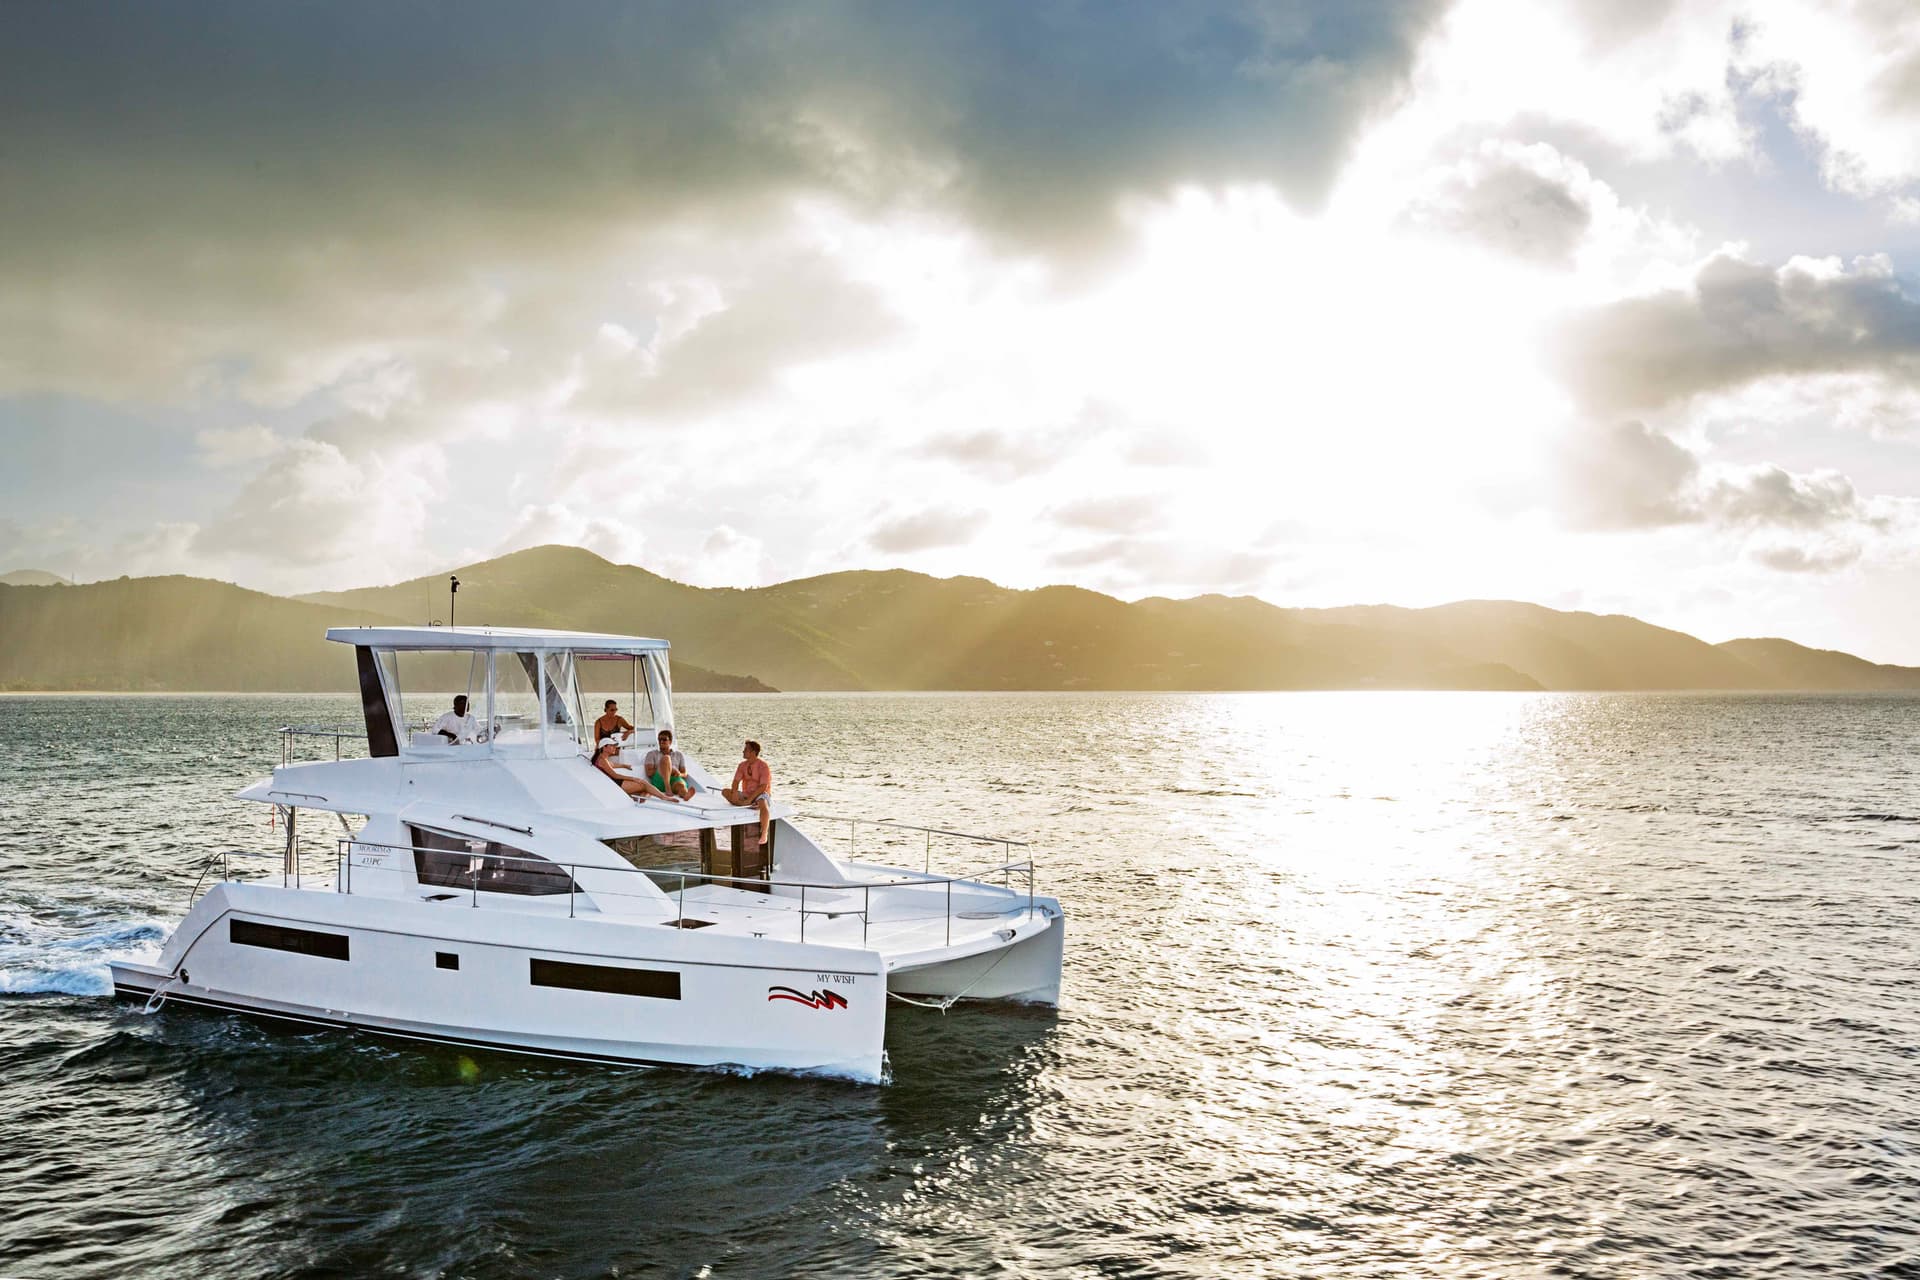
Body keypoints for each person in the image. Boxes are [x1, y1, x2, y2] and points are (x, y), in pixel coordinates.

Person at [592, 737, 674, 802]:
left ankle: (637, 799)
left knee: (647, 790)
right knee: (644, 784)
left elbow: (612, 765)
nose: (614, 748)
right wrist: (633, 778)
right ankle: (663, 797)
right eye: (612, 746)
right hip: (616, 785)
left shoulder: (602, 759)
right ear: (604, 747)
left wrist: (624, 765)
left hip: (614, 783)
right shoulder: (602, 760)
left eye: (615, 746)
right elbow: (615, 775)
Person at [722, 739, 772, 845]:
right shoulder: (742, 765)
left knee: (762, 803)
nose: (743, 751)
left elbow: (763, 786)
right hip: (746, 794)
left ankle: (764, 833)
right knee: (725, 792)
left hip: (760, 793)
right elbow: (736, 781)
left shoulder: (763, 766)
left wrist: (750, 799)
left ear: (753, 752)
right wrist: (734, 793)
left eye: (746, 750)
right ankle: (746, 804)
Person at [643, 729, 694, 799]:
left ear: (670, 741)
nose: (661, 741)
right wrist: (667, 770)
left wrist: (679, 774)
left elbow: (685, 774)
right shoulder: (651, 754)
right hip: (660, 780)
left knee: (681, 786)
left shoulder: (679, 755)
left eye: (664, 739)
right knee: (666, 758)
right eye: (659, 739)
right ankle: (668, 789)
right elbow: (649, 773)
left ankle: (685, 795)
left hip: (674, 779)